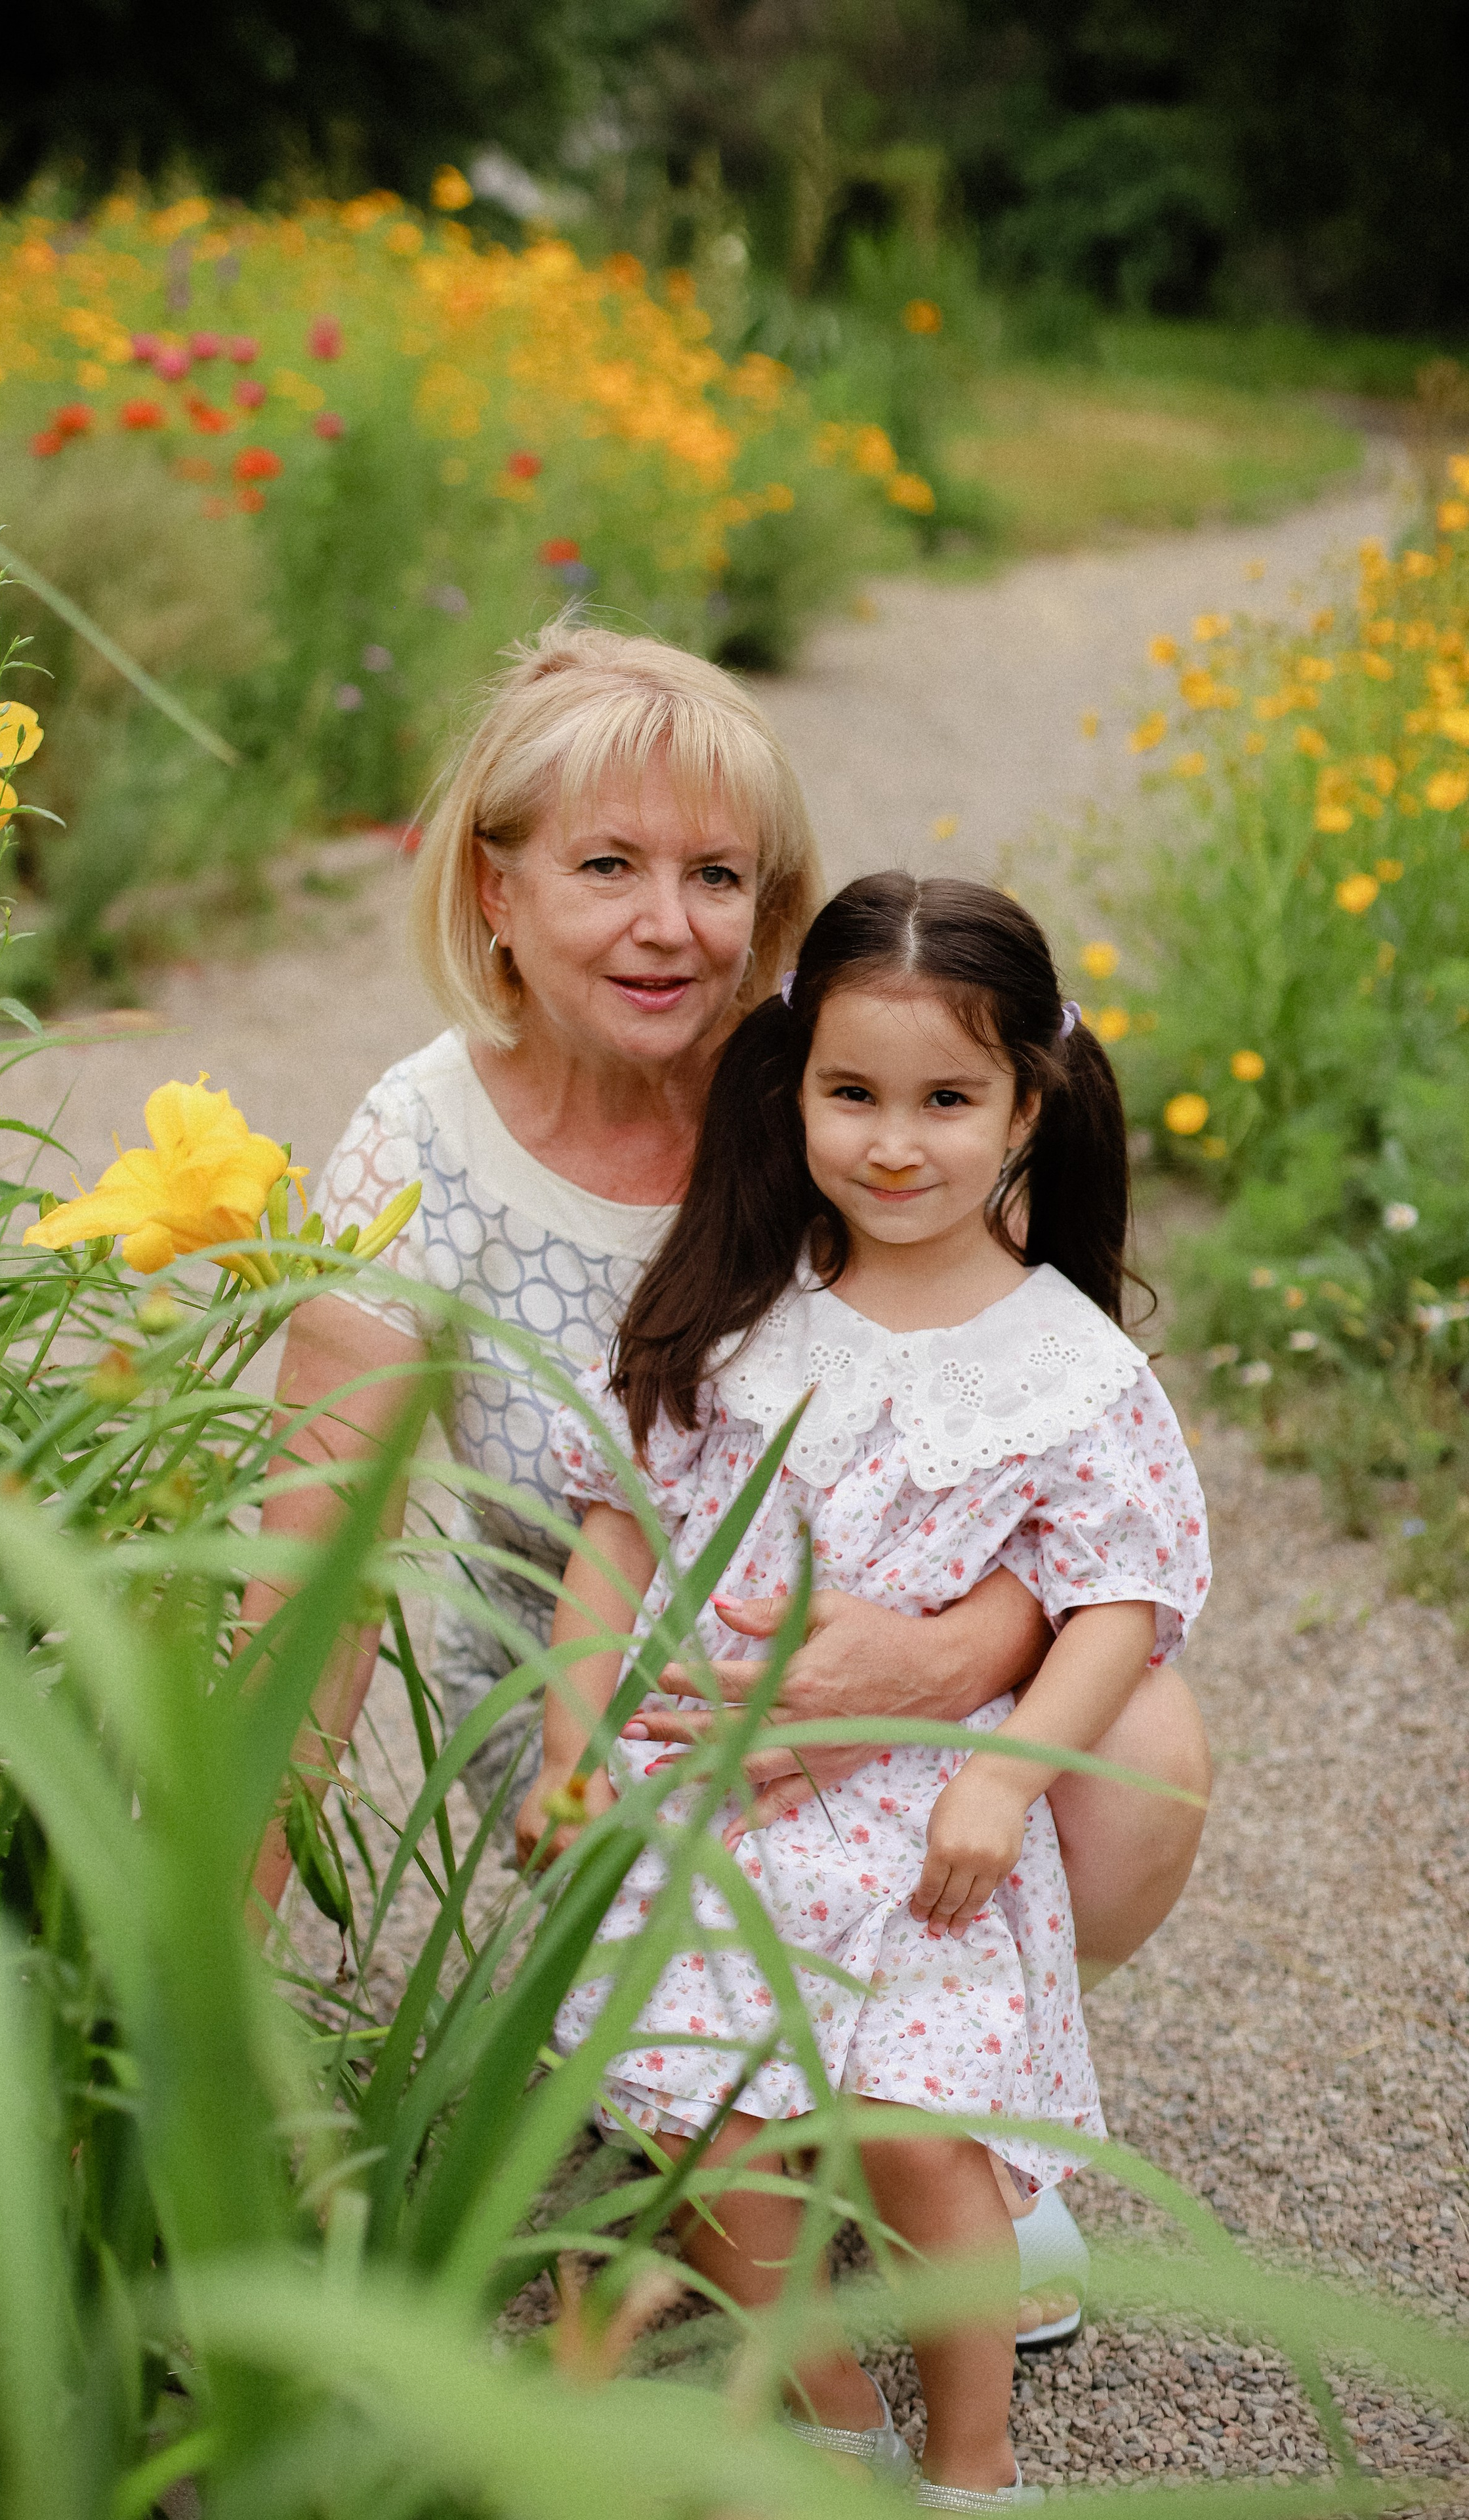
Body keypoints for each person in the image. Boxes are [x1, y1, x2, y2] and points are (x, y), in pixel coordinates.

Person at [241, 623, 1209, 2334]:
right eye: (605, 864)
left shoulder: (845, 1095)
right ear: (495, 886)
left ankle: (966, 2115)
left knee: (1141, 1752)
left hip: (908, 1647)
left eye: (715, 875)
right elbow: (312, 1571)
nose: (665, 924)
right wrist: (205, 1961)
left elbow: (1043, 1434)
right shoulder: (416, 1149)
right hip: (611, 1693)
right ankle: (747, 2089)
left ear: (770, 906)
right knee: (726, 2120)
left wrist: (947, 1659)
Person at [516, 872, 1210, 2498]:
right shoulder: (737, 1306)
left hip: (915, 1814)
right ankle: (826, 2413)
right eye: (853, 1095)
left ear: (1028, 1103)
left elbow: (1123, 1597)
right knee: (720, 2133)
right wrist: (570, 1739)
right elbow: (617, 1531)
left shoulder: (1063, 1361)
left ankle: (974, 2467)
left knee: (914, 2134)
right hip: (711, 1794)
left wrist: (1004, 1775)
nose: (894, 1143)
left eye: (946, 1101)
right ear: (793, 1086)